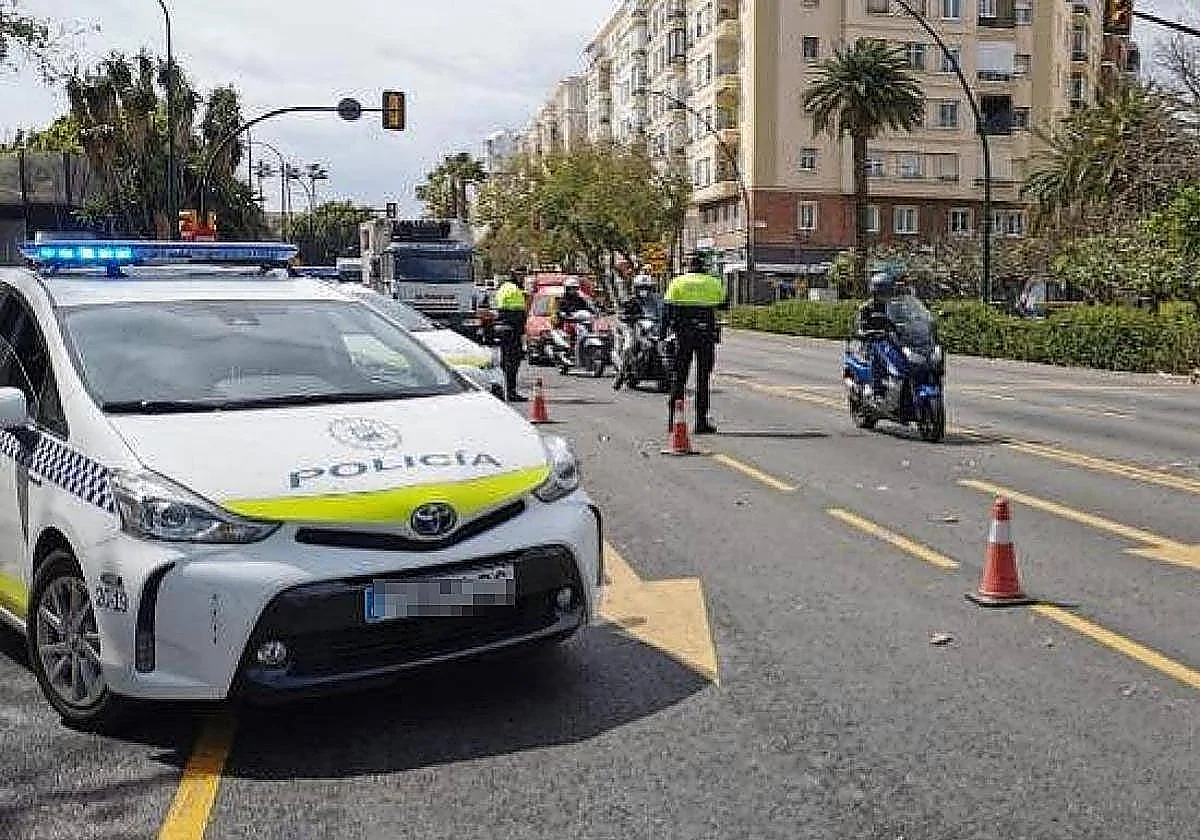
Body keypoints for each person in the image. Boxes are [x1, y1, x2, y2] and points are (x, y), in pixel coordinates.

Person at [663, 254, 726, 434]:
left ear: (688, 267)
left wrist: (662, 335)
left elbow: (667, 312)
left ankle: (672, 421)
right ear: (704, 267)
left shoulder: (678, 282)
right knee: (703, 379)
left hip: (683, 335)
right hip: (705, 334)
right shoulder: (713, 282)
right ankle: (700, 422)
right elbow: (724, 304)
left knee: (679, 378)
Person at [613, 275, 662, 391]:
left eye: (647, 287)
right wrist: (627, 316)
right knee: (629, 346)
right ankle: (621, 373)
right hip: (635, 327)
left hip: (654, 328)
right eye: (641, 287)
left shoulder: (657, 300)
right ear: (636, 288)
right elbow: (621, 313)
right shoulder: (630, 301)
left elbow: (664, 311)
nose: (644, 290)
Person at [494, 279, 528, 402]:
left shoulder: (502, 291)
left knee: (505, 361)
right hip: (513, 330)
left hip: (502, 329)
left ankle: (506, 391)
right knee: (513, 362)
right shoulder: (516, 293)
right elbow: (521, 317)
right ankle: (511, 392)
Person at [554, 277, 592, 367]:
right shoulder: (563, 300)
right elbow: (559, 311)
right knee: (572, 334)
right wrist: (564, 314)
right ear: (567, 289)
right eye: (571, 288)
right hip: (568, 322)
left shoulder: (580, 299)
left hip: (581, 322)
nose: (573, 291)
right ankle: (570, 354)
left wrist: (595, 312)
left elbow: (587, 308)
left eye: (575, 288)